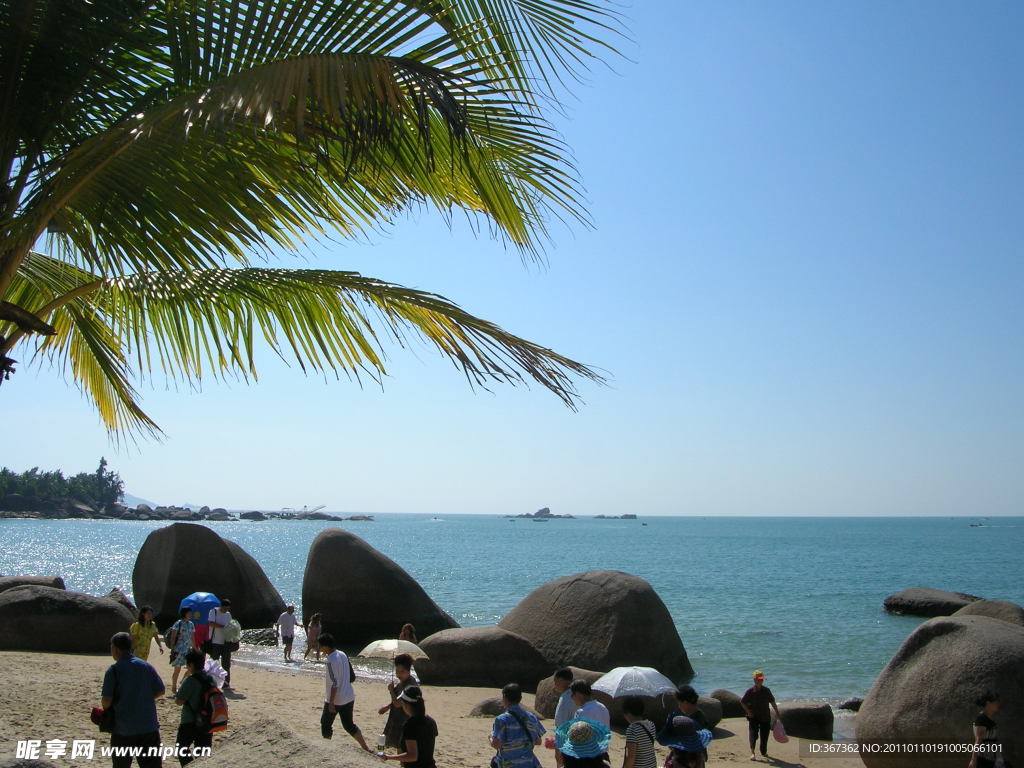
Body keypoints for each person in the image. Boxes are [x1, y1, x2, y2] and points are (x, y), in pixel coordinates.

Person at [100, 631, 165, 768]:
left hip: (123, 729)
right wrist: (143, 698)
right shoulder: (146, 666)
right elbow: (160, 690)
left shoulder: (114, 670)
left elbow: (107, 701)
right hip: (149, 727)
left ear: (116, 649)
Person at [318, 632, 371, 751]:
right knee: (349, 725)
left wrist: (331, 702)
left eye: (320, 646)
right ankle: (365, 747)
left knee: (325, 723)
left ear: (326, 646)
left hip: (337, 699)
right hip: (349, 696)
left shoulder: (330, 660)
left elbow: (334, 683)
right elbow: (352, 676)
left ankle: (326, 747)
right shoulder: (342, 654)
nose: (319, 648)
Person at [377, 685, 437, 768]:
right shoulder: (431, 721)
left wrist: (388, 757)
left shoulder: (410, 725)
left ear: (406, 705)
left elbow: (412, 756)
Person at [173, 649, 214, 766]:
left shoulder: (190, 680)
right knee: (203, 754)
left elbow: (178, 701)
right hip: (207, 720)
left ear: (191, 664)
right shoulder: (210, 679)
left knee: (181, 749)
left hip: (190, 721)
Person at [490, 683, 545, 768]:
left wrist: (490, 738)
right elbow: (538, 741)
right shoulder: (531, 717)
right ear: (520, 698)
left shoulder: (501, 720)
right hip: (529, 763)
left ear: (504, 698)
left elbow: (496, 744)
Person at [378, 653, 419, 749]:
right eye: (397, 671)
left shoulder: (410, 685)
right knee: (398, 745)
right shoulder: (402, 683)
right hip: (397, 718)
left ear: (408, 671)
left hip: (406, 720)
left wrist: (391, 690)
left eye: (402, 671)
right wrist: (387, 707)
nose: (398, 674)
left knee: (402, 745)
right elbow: (397, 701)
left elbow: (397, 703)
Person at [741, 670, 780, 760]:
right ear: (754, 680)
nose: (760, 681)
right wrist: (748, 712)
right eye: (758, 680)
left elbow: (772, 701)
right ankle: (752, 753)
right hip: (753, 717)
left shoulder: (766, 690)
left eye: (762, 679)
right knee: (753, 735)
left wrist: (777, 712)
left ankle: (763, 752)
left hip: (765, 716)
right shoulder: (750, 691)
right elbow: (742, 702)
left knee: (765, 735)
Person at [665, 685, 708, 764]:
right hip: (697, 757)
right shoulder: (700, 715)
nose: (678, 705)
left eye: (679, 702)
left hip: (686, 758)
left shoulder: (690, 718)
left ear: (684, 702)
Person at [969, 691, 1004, 768]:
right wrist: (973, 760)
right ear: (988, 703)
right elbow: (978, 740)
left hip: (992, 757)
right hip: (984, 758)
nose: (998, 704)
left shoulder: (988, 718)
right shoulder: (982, 719)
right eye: (996, 702)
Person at [167, 607, 196, 694]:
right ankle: (174, 687)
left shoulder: (191, 624)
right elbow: (173, 637)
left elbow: (192, 637)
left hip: (187, 649)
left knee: (191, 668)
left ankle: (182, 683)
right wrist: (172, 649)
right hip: (178, 650)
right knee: (177, 670)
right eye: (189, 613)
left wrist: (194, 648)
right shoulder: (178, 623)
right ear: (184, 613)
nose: (190, 615)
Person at [622, 698, 657, 768]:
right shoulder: (651, 725)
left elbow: (631, 756)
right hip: (652, 765)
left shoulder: (632, 729)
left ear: (628, 713)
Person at [207, 599, 233, 687]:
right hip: (215, 641)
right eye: (225, 608)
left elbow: (230, 625)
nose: (226, 610)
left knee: (226, 664)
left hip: (226, 641)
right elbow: (211, 623)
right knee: (214, 662)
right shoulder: (213, 611)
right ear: (221, 606)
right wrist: (223, 627)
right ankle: (211, 681)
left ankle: (226, 682)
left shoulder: (228, 614)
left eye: (227, 608)